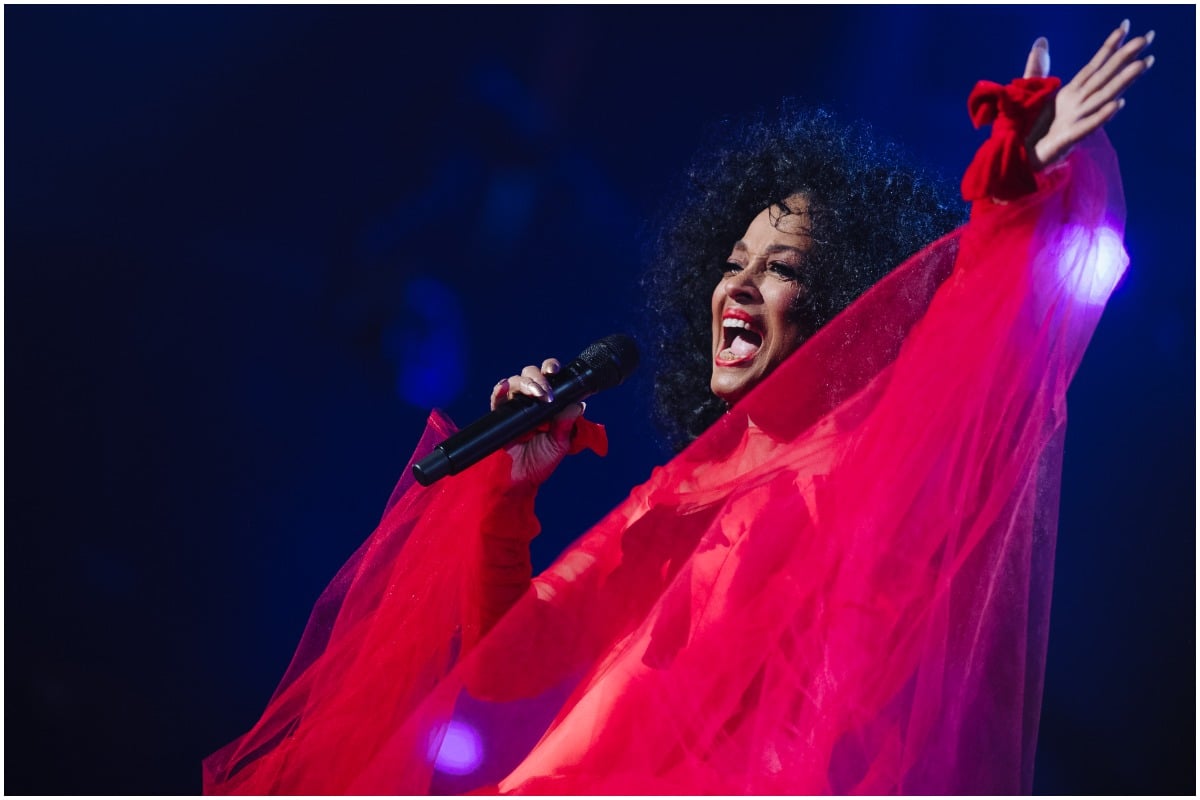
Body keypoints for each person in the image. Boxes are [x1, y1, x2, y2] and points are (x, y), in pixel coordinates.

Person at [204, 23, 1153, 795]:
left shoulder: (865, 453)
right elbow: (506, 668)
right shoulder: (681, 490)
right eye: (731, 265)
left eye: (779, 271)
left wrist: (1016, 180)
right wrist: (508, 503)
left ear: (842, 308)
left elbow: (975, 333)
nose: (736, 289)